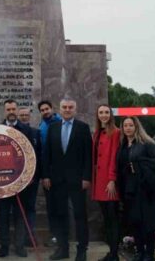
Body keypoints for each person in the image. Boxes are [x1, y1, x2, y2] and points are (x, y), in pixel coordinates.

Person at [42, 99, 92, 261]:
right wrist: (46, 175)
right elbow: (46, 154)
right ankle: (63, 249)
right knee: (60, 215)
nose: (67, 110)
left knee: (80, 215)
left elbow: (88, 156)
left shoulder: (83, 128)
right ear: (60, 109)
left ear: (75, 109)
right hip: (57, 181)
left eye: (71, 107)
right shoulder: (53, 128)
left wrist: (86, 177)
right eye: (64, 107)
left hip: (78, 181)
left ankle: (81, 250)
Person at [117, 117, 155, 261]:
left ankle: (149, 253)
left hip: (144, 189)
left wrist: (139, 167)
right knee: (135, 221)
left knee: (147, 223)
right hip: (129, 189)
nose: (128, 128)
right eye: (125, 125)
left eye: (131, 125)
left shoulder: (147, 144)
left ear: (136, 127)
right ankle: (140, 252)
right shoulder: (123, 145)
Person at [0, 99, 33, 258]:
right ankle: (4, 246)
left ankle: (19, 246)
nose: (11, 111)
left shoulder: (27, 130)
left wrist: (30, 175)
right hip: (2, 181)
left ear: (17, 110)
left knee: (20, 215)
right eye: (8, 109)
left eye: (13, 109)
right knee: (3, 215)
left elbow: (33, 154)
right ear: (4, 111)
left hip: (21, 182)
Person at [92, 105, 121, 261]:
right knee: (107, 219)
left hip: (109, 183)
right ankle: (111, 252)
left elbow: (115, 157)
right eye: (101, 112)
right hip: (99, 182)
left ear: (110, 115)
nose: (103, 115)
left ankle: (114, 254)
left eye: (106, 112)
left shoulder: (116, 132)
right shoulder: (97, 133)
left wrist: (112, 179)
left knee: (112, 219)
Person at [38, 100, 62, 247]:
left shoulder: (61, 123)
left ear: (52, 109)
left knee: (62, 206)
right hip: (48, 172)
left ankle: (63, 236)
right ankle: (55, 235)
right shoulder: (42, 126)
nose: (45, 111)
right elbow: (43, 153)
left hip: (61, 172)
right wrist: (44, 174)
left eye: (47, 108)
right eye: (42, 110)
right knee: (51, 206)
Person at [18, 107, 42, 248]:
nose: (24, 117)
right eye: (21, 115)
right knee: (18, 209)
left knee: (30, 208)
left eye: (26, 115)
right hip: (16, 180)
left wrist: (34, 175)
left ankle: (30, 235)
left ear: (30, 116)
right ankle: (20, 238)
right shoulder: (12, 133)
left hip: (32, 180)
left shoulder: (36, 133)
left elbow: (39, 156)